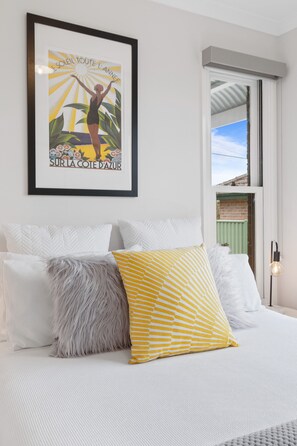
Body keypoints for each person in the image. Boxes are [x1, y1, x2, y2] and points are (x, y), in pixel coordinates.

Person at [71, 75, 115, 160]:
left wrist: (77, 78)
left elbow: (84, 86)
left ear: (96, 89)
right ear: (99, 89)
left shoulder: (94, 95)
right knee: (95, 136)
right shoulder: (100, 96)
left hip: (91, 116)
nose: (99, 87)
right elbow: (107, 89)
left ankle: (97, 153)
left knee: (93, 136)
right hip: (95, 116)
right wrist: (76, 78)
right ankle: (98, 153)